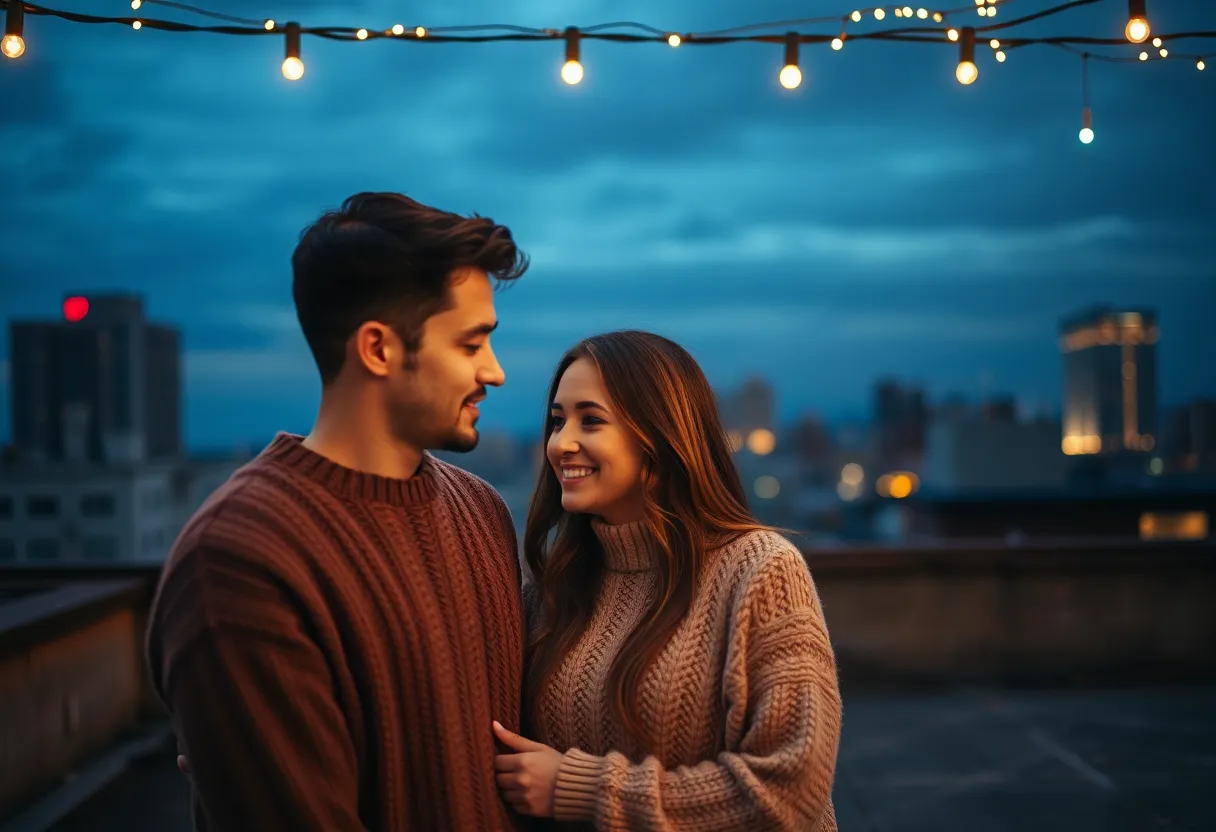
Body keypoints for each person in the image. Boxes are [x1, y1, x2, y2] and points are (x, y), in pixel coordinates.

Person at [145, 192, 532, 830]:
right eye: (470, 344)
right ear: (378, 349)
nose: (495, 372)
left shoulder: (482, 513)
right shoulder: (238, 559)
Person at [491, 331, 842, 830]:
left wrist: (579, 787)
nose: (560, 443)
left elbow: (790, 794)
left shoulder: (761, 572)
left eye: (590, 420)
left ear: (660, 435)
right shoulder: (554, 591)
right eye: (556, 421)